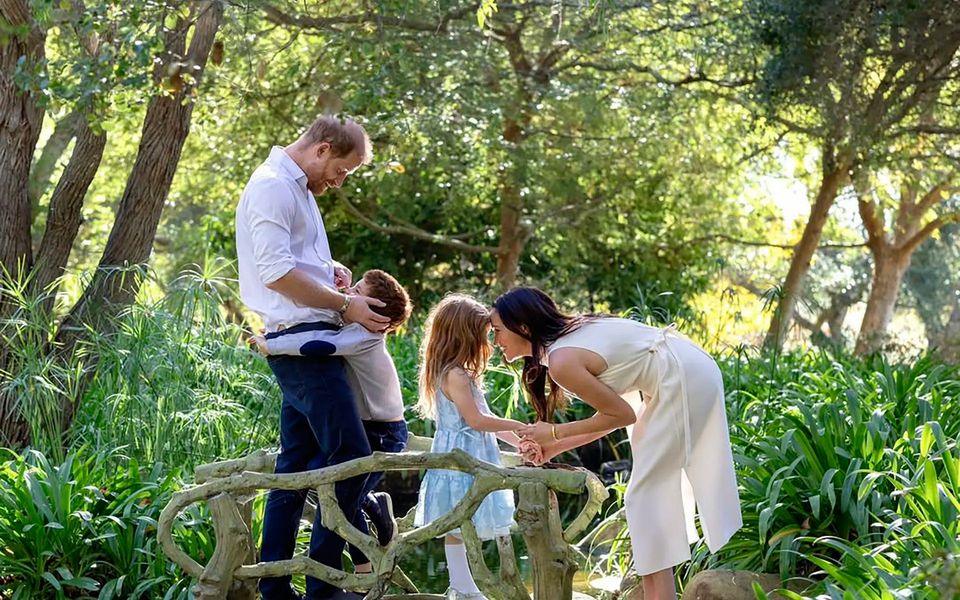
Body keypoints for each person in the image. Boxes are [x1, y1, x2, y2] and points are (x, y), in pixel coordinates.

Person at [492, 287, 742, 600]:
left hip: (683, 377)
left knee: (645, 495)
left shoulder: (561, 360)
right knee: (648, 497)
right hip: (684, 370)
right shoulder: (568, 340)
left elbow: (622, 414)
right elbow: (610, 416)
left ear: (523, 327)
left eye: (497, 331)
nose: (496, 341)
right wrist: (553, 446)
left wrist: (554, 433)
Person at [235, 114, 387, 600]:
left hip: (305, 340)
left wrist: (329, 270)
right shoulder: (275, 186)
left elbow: (291, 262)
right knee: (352, 457)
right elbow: (277, 275)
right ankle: (324, 584)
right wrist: (347, 304)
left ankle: (275, 588)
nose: (339, 182)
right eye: (342, 171)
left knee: (296, 465)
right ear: (322, 149)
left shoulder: (296, 188)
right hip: (302, 345)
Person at [250, 269, 413, 575]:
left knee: (342, 497)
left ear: (375, 312)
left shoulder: (363, 336)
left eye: (358, 291)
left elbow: (319, 344)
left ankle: (364, 559)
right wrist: (339, 285)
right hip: (370, 424)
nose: (349, 294)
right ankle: (366, 549)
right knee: (337, 492)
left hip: (384, 431)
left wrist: (272, 344)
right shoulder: (353, 326)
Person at [412, 295, 531, 600]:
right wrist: (520, 426)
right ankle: (463, 586)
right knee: (459, 524)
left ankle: (463, 585)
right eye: (484, 334)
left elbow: (486, 422)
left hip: (469, 455)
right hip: (461, 461)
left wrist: (521, 444)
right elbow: (477, 421)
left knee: (463, 524)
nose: (489, 342)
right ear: (466, 335)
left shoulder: (460, 373)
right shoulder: (456, 375)